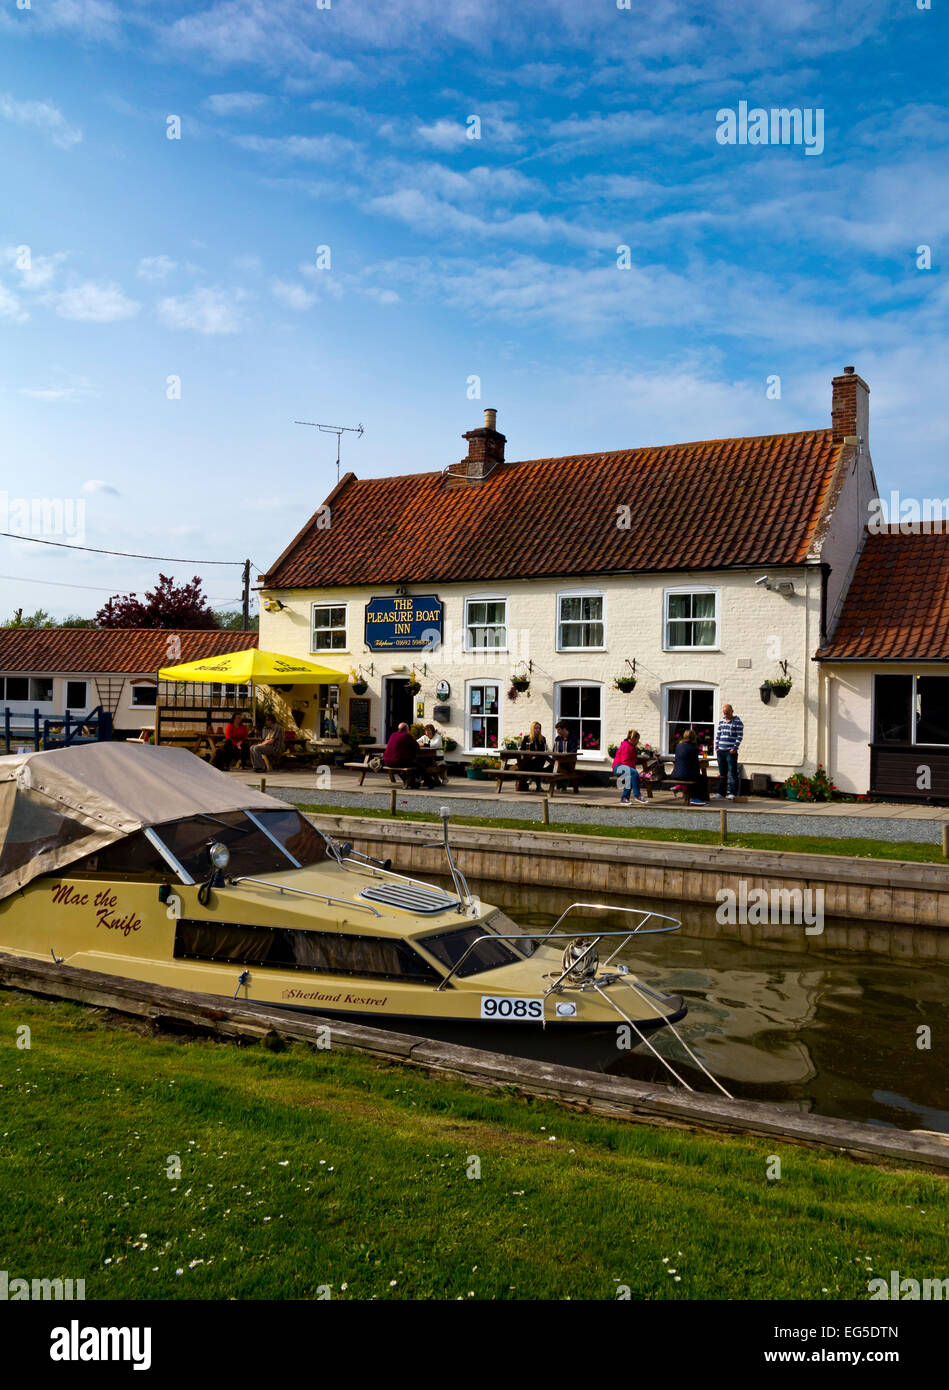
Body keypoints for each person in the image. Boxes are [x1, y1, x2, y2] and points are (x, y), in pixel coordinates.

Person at [384, 722, 438, 789]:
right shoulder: (407, 736)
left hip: (387, 762)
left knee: (413, 764)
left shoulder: (393, 735)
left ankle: (412, 783)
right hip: (398, 761)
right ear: (407, 729)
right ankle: (430, 783)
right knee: (420, 766)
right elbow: (416, 747)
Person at [713, 702, 744, 800]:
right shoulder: (721, 722)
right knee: (722, 773)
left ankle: (732, 793)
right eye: (724, 713)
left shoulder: (737, 722)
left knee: (732, 772)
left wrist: (734, 748)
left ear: (732, 711)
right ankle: (721, 793)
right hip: (721, 751)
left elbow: (739, 736)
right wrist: (716, 747)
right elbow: (718, 735)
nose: (725, 715)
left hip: (730, 752)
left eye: (727, 713)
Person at [671, 729, 709, 805]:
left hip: (675, 774)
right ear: (694, 737)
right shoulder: (693, 748)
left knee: (694, 776)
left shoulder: (678, 746)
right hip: (685, 775)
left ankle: (679, 787)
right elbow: (696, 764)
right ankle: (695, 799)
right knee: (703, 778)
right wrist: (697, 773)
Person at [612, 729, 648, 805]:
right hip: (618, 768)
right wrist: (634, 773)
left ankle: (624, 798)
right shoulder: (626, 746)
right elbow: (625, 762)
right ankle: (637, 795)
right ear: (633, 739)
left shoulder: (631, 746)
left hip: (622, 767)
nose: (638, 741)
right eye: (638, 739)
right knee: (633, 774)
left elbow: (631, 762)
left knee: (632, 776)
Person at [517, 721, 547, 792]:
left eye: (539, 728)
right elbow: (523, 750)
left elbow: (543, 751)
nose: (538, 730)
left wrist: (536, 756)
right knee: (537, 766)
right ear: (532, 729)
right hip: (528, 760)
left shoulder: (542, 739)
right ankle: (538, 786)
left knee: (541, 761)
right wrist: (530, 756)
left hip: (538, 759)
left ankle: (531, 777)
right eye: (536, 728)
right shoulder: (526, 738)